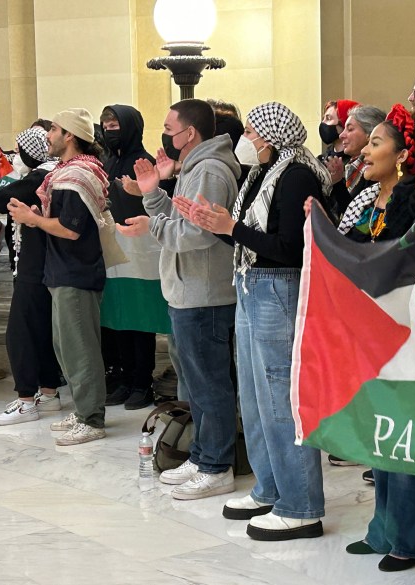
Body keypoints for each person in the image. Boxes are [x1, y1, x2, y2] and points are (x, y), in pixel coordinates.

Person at [173, 101, 330, 540]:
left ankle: (301, 504)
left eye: (256, 134)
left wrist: (231, 228)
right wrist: (217, 226)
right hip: (252, 282)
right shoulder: (263, 173)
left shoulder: (297, 175)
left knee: (281, 399)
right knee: (255, 397)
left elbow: (291, 247)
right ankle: (270, 488)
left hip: (280, 286)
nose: (249, 139)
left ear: (274, 135)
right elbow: (247, 238)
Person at [325, 104, 415, 570]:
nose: (365, 151)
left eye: (375, 143)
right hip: (372, 327)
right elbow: (348, 246)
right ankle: (382, 529)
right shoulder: (367, 197)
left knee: (404, 429)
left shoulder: (413, 194)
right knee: (381, 428)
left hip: (408, 327)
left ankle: (412, 539)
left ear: (401, 154)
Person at [117, 99, 240, 500]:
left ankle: (217, 465)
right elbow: (182, 220)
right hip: (188, 292)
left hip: (205, 294)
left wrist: (152, 224)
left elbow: (198, 234)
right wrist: (153, 195)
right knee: (196, 385)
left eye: (170, 129)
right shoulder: (195, 167)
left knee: (210, 385)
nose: (165, 136)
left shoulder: (210, 169)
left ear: (191, 133)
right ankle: (204, 454)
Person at [7, 108, 109, 446]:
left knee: (80, 350)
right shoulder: (65, 174)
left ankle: (92, 419)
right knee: (65, 346)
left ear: (69, 135)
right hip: (62, 271)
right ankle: (82, 412)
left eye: (53, 128)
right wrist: (36, 215)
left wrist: (31, 219)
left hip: (76, 273)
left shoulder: (78, 176)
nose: (47, 135)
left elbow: (71, 230)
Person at [0, 126, 61, 425]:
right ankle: (49, 392)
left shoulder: (41, 176)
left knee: (21, 331)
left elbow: (2, 200)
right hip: (45, 261)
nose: (14, 155)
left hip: (36, 263)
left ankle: (26, 400)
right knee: (40, 329)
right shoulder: (53, 171)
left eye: (18, 149)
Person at [99, 105, 170, 410]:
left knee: (140, 320)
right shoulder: (107, 161)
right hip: (113, 251)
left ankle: (142, 382)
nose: (108, 130)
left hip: (141, 251)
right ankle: (126, 380)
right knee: (118, 319)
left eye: (115, 125)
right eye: (105, 125)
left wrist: (135, 191)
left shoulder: (144, 162)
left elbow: (160, 201)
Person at [327, 104, 386, 219]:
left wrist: (338, 183)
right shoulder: (350, 165)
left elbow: (356, 217)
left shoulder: (376, 172)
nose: (341, 135)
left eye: (350, 129)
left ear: (370, 134)